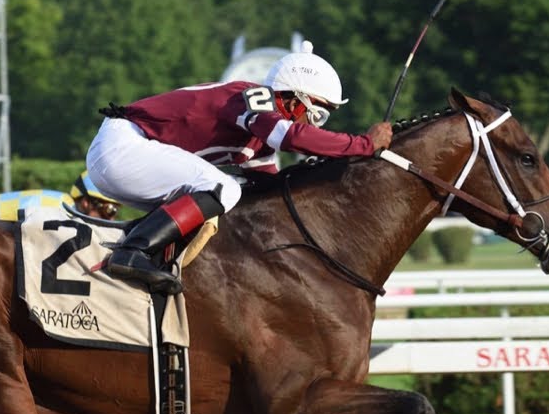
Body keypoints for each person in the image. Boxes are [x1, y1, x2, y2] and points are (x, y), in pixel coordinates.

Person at [85, 41, 393, 295]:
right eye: (317, 116)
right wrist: (362, 144)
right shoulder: (252, 97)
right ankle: (133, 253)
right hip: (122, 147)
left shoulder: (259, 143)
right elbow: (289, 136)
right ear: (295, 100)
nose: (312, 124)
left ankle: (145, 254)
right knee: (224, 188)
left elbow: (272, 187)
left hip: (126, 157)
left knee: (221, 196)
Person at [0, 170, 121, 221]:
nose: (112, 218)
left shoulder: (67, 208)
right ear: (86, 202)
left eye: (115, 210)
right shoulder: (58, 210)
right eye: (108, 210)